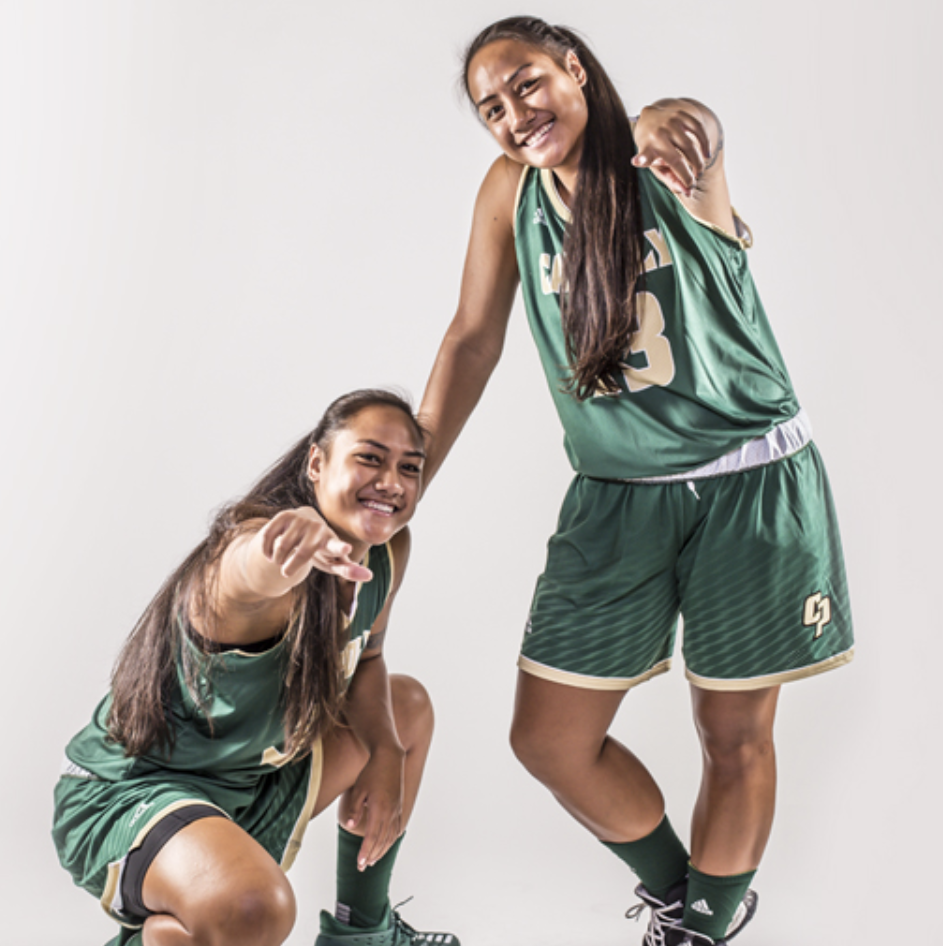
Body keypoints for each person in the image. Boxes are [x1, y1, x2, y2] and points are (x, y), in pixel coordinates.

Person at [419, 16, 852, 946]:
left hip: (751, 481)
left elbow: (688, 126)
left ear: (575, 67)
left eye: (528, 83)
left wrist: (671, 119)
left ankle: (698, 930)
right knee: (548, 739)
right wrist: (413, 469)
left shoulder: (663, 154)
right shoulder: (511, 191)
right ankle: (685, 894)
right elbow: (472, 337)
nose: (514, 113)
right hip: (615, 496)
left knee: (732, 739)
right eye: (491, 106)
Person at [53, 389, 459, 946]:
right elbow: (244, 572)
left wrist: (389, 753)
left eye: (408, 467)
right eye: (369, 458)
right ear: (316, 464)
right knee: (256, 908)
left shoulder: (387, 552)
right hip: (127, 794)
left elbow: (368, 659)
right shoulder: (261, 559)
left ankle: (362, 934)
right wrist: (281, 547)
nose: (392, 480)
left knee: (405, 706)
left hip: (248, 786)